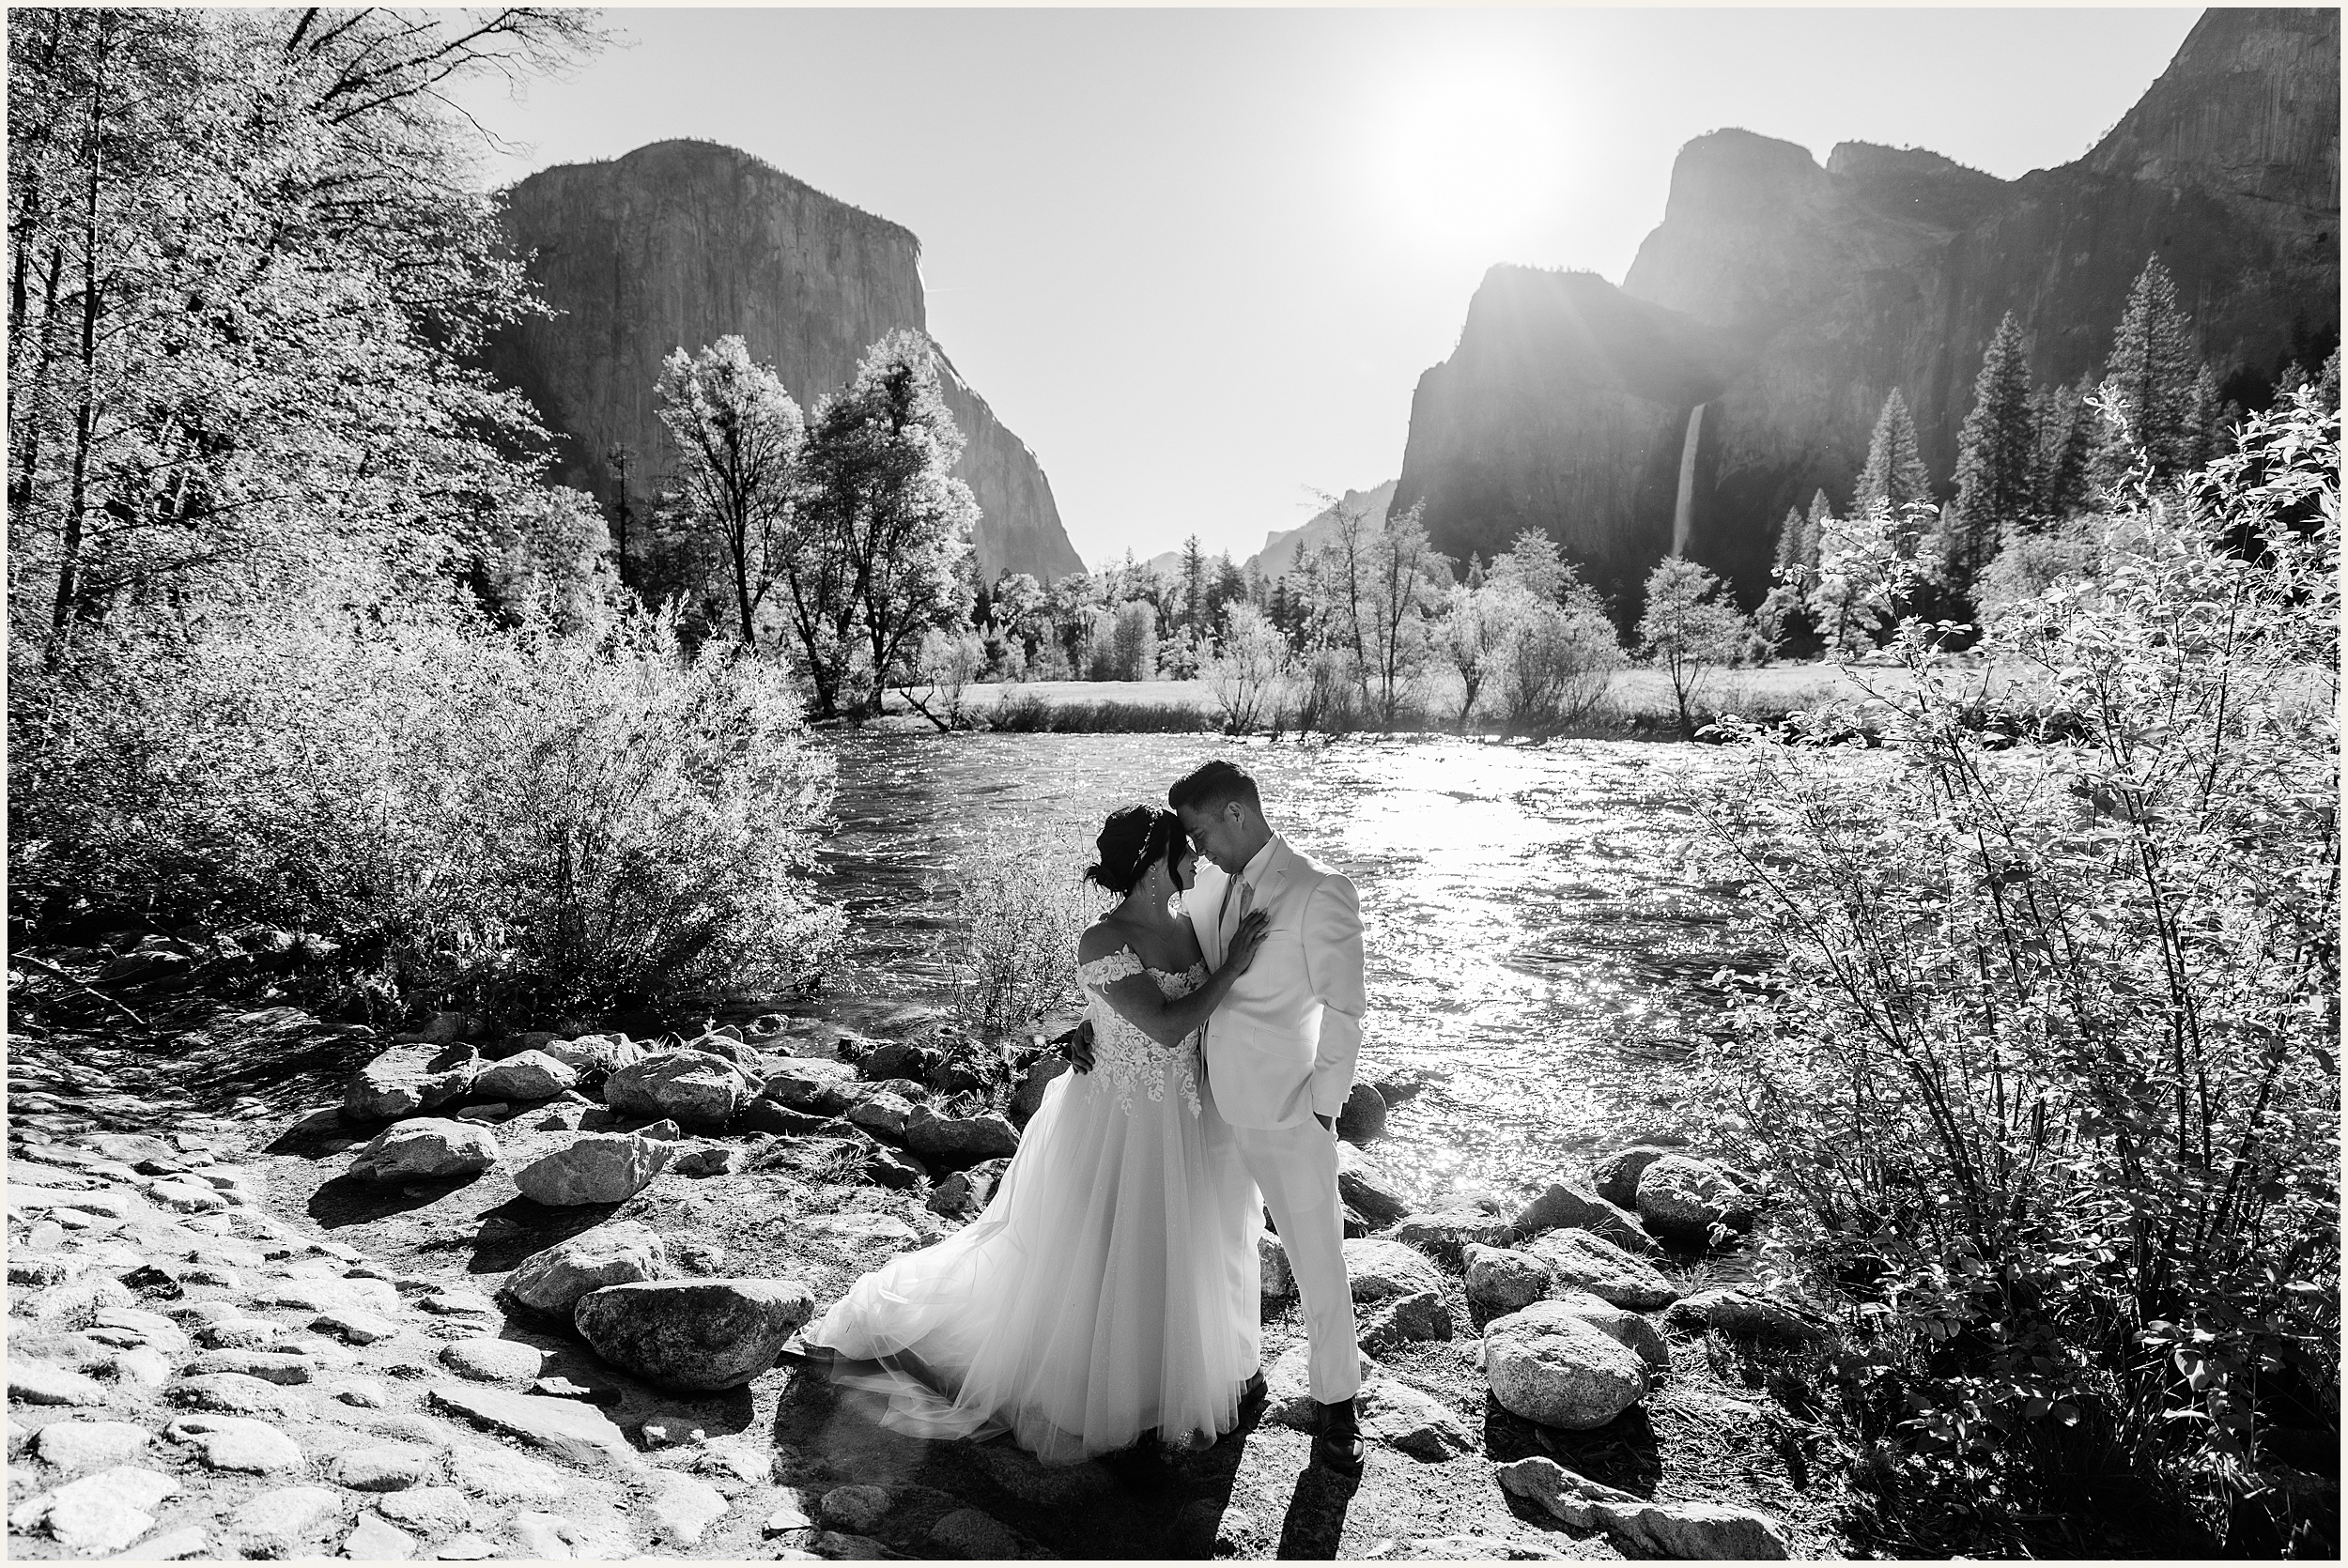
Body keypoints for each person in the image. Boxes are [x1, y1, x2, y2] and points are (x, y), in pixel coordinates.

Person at [798, 806, 1271, 1465]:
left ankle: (1189, 1377)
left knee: (1187, 1243)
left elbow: (1139, 1012)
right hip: (1121, 1120)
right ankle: (1119, 1400)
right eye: (1184, 850)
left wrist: (1089, 1025)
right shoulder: (1101, 941)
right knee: (1114, 1250)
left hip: (1190, 1113)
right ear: (1151, 864)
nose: (1197, 858)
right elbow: (1163, 1025)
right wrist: (1231, 968)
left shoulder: (1192, 919)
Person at [1171, 757, 1367, 1477]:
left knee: (1318, 1257)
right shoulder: (1212, 882)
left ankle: (1337, 1409)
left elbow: (1345, 1011)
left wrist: (1321, 1111)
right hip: (1212, 1098)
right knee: (1226, 1240)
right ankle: (1240, 1368)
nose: (1196, 851)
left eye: (1201, 834)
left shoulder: (1320, 891)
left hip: (1288, 1112)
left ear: (1236, 815)